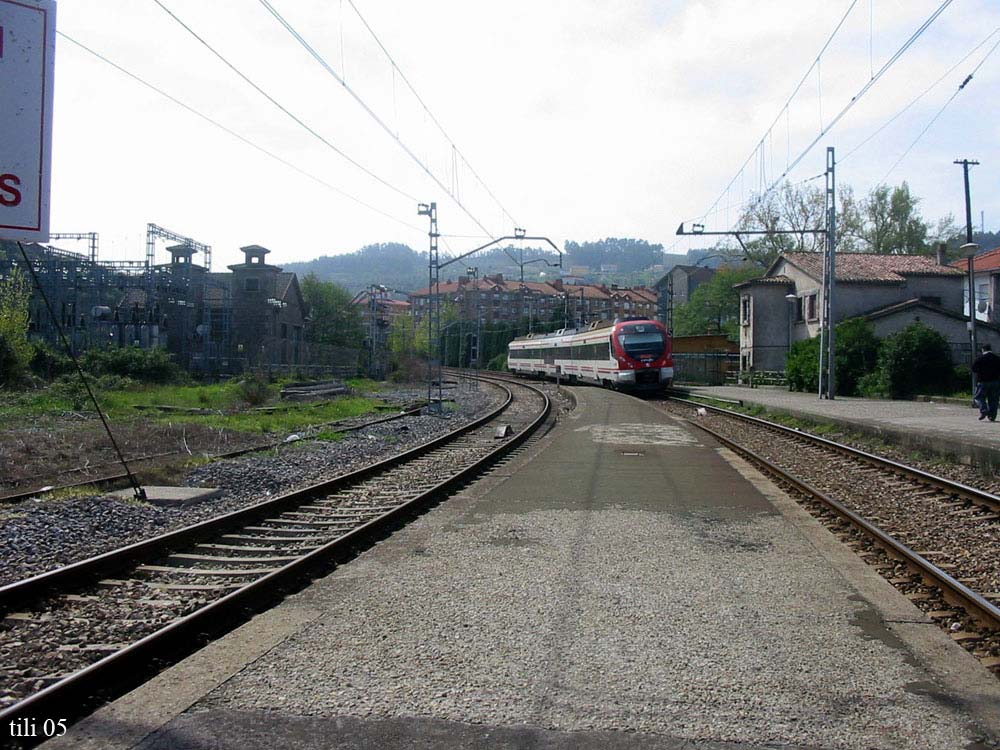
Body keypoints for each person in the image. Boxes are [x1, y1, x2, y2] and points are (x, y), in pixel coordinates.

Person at [971, 343, 1000, 422]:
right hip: (995, 381)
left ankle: (984, 410)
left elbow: (974, 369)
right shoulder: (997, 358)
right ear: (990, 349)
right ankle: (992, 416)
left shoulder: (980, 358)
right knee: (994, 399)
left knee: (979, 397)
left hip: (983, 381)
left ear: (983, 349)